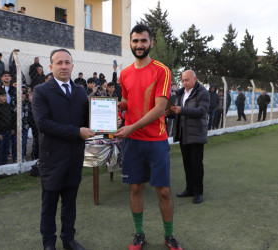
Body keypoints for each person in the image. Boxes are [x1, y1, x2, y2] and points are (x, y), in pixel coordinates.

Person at [114, 24, 182, 250]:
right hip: (133, 142)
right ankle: (139, 234)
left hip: (156, 141)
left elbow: (161, 108)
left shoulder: (161, 70)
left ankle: (169, 235)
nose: (139, 45)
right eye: (135, 41)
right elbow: (126, 101)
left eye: (143, 41)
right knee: (135, 188)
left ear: (150, 43)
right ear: (130, 43)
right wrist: (112, 107)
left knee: (163, 190)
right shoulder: (124, 73)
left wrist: (131, 127)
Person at [32, 48, 95, 250]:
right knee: (49, 204)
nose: (64, 66)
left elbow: (88, 121)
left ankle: (68, 238)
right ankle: (48, 243)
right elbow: (43, 124)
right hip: (52, 158)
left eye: (67, 62)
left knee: (70, 202)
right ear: (51, 67)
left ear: (72, 65)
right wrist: (77, 132)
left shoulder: (80, 92)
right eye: (59, 63)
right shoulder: (41, 91)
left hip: (74, 157)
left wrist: (107, 123)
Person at [169, 70, 209, 205]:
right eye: (183, 80)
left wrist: (182, 110)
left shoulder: (203, 93)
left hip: (196, 134)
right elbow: (177, 112)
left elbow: (202, 111)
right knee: (187, 164)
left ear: (194, 79)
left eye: (187, 80)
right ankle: (189, 189)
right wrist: (168, 112)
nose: (184, 83)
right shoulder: (180, 93)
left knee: (196, 165)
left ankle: (199, 192)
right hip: (183, 133)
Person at [0, 89, 15, 166]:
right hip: (1, 132)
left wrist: (12, 128)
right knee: (0, 148)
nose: (4, 97)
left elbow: (11, 118)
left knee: (6, 148)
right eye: (2, 96)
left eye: (5, 96)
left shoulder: (8, 106)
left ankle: (5, 163)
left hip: (8, 130)